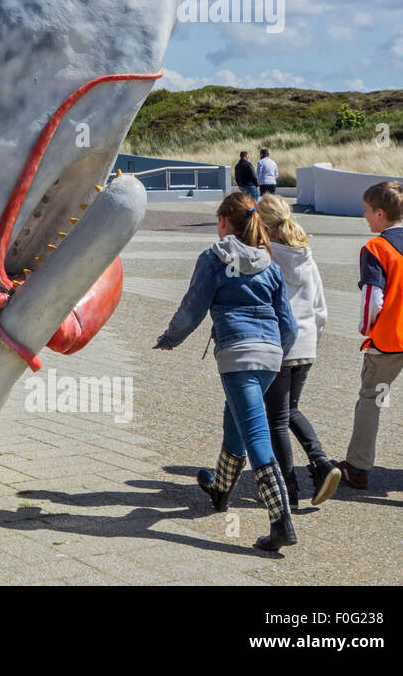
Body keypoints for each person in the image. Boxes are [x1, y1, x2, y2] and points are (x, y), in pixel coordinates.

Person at [152, 192, 299, 551]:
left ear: (222, 222)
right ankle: (219, 490)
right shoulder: (269, 263)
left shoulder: (214, 258)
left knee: (256, 434)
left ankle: (281, 522)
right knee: (235, 420)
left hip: (238, 354)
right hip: (269, 355)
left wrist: (169, 338)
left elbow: (192, 309)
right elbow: (289, 326)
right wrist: (276, 353)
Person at [335, 181, 403, 506]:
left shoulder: (376, 249)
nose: (365, 217)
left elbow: (373, 298)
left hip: (391, 340)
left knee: (372, 400)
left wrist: (367, 330)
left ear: (380, 213)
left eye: (366, 211)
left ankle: (359, 467)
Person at [256, 194, 340, 508]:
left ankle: (288, 486)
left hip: (278, 346)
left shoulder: (265, 256)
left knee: (276, 419)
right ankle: (321, 464)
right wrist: (313, 340)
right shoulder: (306, 255)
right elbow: (321, 310)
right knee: (290, 410)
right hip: (306, 345)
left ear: (264, 225)